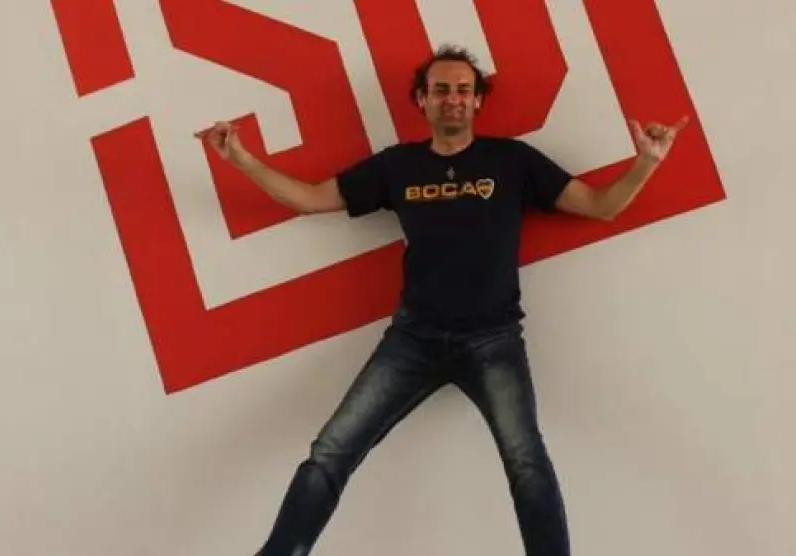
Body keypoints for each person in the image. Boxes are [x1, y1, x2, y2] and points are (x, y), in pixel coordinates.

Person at [195, 44, 688, 556]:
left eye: (463, 90)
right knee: (330, 453)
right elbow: (310, 198)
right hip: (413, 339)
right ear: (422, 100)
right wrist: (241, 158)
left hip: (493, 340)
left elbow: (600, 206)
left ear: (478, 101)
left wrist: (646, 163)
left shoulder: (512, 160)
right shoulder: (398, 166)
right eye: (441, 90)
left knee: (527, 463)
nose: (453, 98)